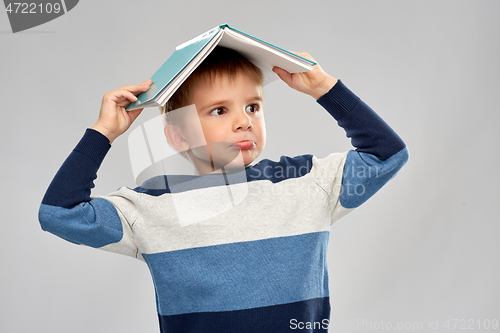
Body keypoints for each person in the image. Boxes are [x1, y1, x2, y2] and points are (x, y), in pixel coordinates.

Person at [39, 46, 409, 332]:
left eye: (253, 107)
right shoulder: (149, 207)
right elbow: (60, 213)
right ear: (178, 135)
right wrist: (103, 133)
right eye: (219, 110)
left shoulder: (306, 182)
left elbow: (386, 155)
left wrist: (326, 89)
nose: (243, 122)